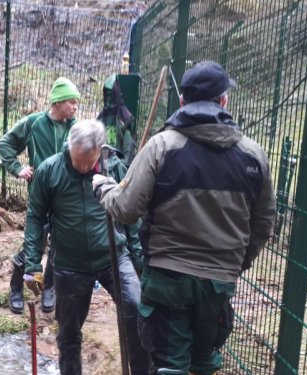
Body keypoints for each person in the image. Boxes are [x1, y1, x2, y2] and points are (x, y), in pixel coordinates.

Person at [93, 61, 276, 375]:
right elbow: (264, 223)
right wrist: (235, 263)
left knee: (170, 365)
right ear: (223, 101)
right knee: (202, 362)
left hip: (168, 277)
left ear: (181, 101)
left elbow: (125, 208)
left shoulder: (162, 147)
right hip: (219, 281)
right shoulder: (253, 155)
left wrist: (104, 188)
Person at [24, 119, 149, 375]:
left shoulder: (114, 167)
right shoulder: (50, 171)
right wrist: (32, 263)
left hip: (115, 257)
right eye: (77, 159)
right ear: (69, 146)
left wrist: (138, 259)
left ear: (100, 150)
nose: (82, 167)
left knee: (137, 311)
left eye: (88, 161)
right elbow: (35, 217)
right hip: (70, 265)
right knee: (69, 332)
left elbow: (130, 216)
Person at [0, 77, 81, 314]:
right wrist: (18, 168)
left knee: (60, 244)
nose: (75, 107)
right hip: (40, 195)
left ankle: (48, 289)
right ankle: (16, 288)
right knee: (35, 242)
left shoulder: (74, 128)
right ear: (58, 102)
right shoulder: (33, 123)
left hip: (66, 198)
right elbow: (6, 144)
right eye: (72, 102)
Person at [98, 74, 136, 165]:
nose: (108, 98)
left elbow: (127, 156)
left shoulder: (124, 119)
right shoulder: (100, 120)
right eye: (107, 94)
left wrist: (117, 166)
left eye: (111, 94)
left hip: (118, 168)